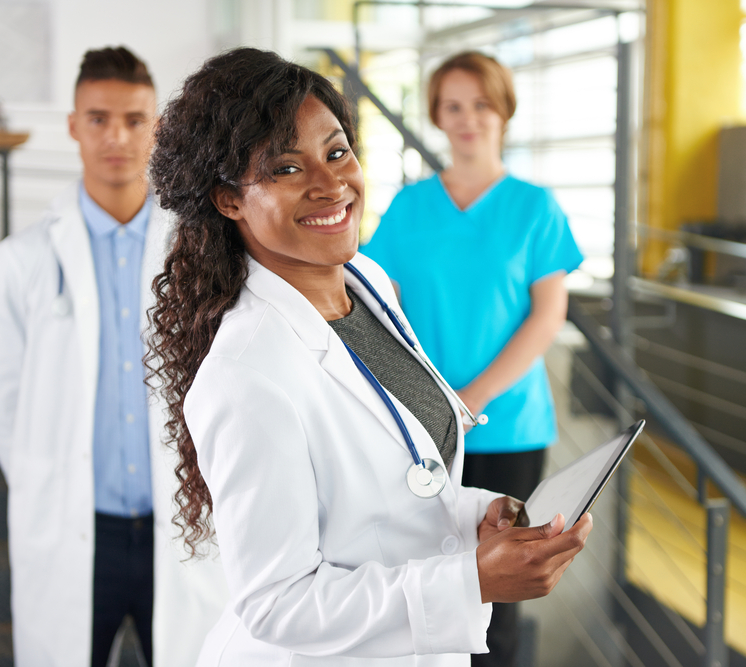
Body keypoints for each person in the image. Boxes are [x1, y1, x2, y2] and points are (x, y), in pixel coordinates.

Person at [146, 47, 592, 667]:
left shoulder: (366, 283)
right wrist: (472, 582)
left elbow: (394, 489)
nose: (329, 184)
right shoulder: (245, 374)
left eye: (336, 152)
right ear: (228, 199)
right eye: (284, 168)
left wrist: (478, 515)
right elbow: (278, 604)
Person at [0, 46, 227, 667]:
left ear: (157, 127)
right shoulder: (23, 259)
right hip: (74, 526)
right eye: (98, 118)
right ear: (73, 125)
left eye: (135, 119)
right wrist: (44, 476)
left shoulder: (198, 253)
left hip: (183, 526)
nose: (117, 136)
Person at [360, 51, 585, 666]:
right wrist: (430, 399)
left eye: (481, 104)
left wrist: (473, 397)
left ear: (504, 110)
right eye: (453, 107)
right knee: (428, 592)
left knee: (499, 606)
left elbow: (547, 317)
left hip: (509, 431)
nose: (468, 119)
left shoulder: (535, 208)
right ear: (436, 116)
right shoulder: (409, 209)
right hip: (422, 430)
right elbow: (377, 306)